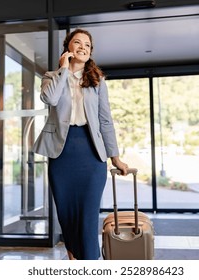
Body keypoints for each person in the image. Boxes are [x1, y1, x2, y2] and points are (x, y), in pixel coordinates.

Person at [33, 28, 128, 260]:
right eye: (78, 43)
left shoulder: (97, 81)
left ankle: (90, 262)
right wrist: (63, 69)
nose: (83, 47)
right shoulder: (51, 77)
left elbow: (105, 120)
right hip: (61, 153)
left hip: (91, 154)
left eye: (87, 44)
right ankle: (74, 257)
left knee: (87, 216)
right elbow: (50, 99)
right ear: (68, 48)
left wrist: (114, 156)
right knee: (66, 214)